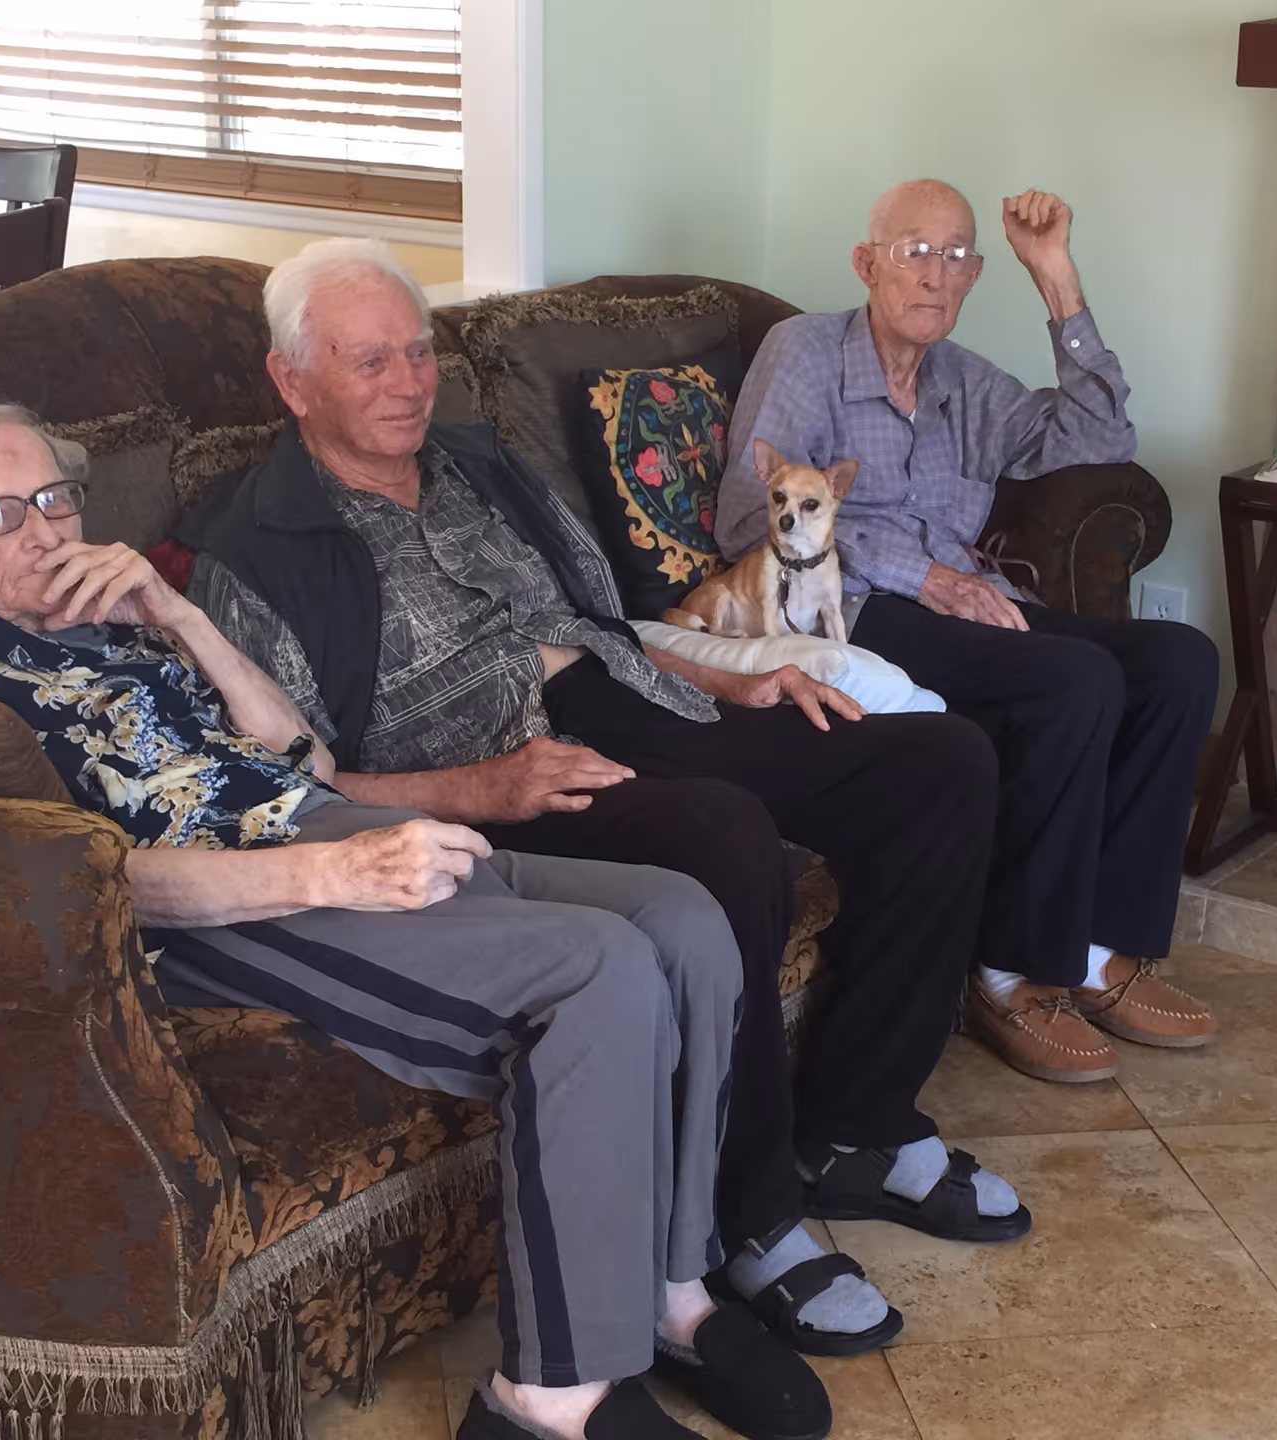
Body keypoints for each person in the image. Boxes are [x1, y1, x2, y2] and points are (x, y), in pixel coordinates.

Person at [0, 403, 831, 1440]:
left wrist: (178, 615)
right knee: (597, 968)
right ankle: (548, 1399)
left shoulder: (121, 630)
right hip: (235, 905)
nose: (40, 531)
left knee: (683, 919)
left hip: (330, 829)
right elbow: (85, 882)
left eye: (53, 499)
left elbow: (309, 761)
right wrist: (329, 870)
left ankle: (670, 1291)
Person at [179, 239, 1025, 1361]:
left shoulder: (479, 462)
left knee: (940, 761)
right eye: (369, 361)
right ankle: (748, 1218)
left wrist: (736, 678)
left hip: (630, 702)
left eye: (419, 352)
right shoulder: (254, 552)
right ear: (292, 381)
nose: (410, 383)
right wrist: (480, 788)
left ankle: (857, 1130)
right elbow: (290, 789)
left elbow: (601, 627)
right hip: (496, 781)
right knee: (720, 835)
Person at [717, 179, 1220, 1086]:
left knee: (1178, 661)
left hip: (967, 601)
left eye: (955, 257)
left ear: (974, 275)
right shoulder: (805, 352)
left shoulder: (965, 381)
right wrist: (927, 577)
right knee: (1073, 681)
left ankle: (1097, 950)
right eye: (914, 251)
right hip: (858, 610)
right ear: (867, 263)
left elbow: (1103, 437)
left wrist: (1056, 275)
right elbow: (752, 516)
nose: (934, 274)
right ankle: (1006, 970)